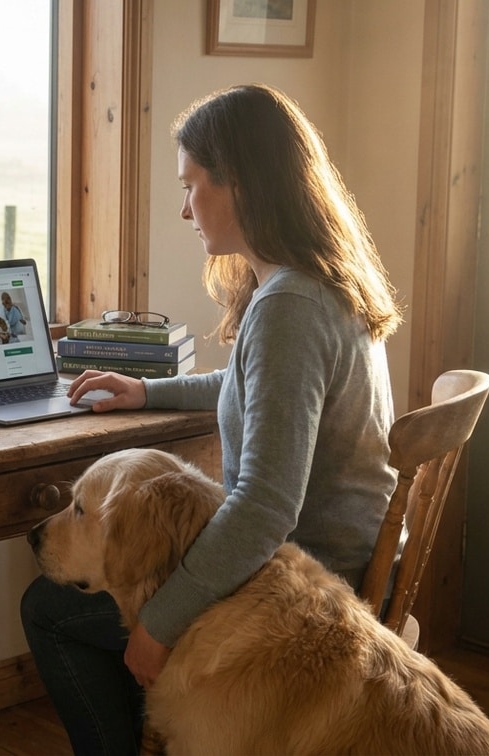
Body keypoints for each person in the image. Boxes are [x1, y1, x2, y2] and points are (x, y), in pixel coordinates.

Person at [21, 83, 403, 755]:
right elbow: (259, 389)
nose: (184, 207)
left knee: (50, 611)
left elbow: (263, 507)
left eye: (192, 184)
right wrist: (149, 392)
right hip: (343, 560)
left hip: (302, 587)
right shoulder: (317, 282)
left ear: (241, 185)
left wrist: (161, 625)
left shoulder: (289, 308)